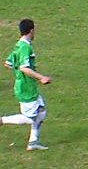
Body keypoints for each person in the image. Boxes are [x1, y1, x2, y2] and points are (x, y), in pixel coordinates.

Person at [0, 19, 51, 151]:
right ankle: (2, 120)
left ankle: (33, 142)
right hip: (26, 87)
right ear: (32, 31)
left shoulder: (18, 45)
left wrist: (19, 74)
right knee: (29, 118)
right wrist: (42, 78)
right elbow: (24, 68)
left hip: (25, 86)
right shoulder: (25, 47)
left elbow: (8, 64)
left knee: (41, 112)